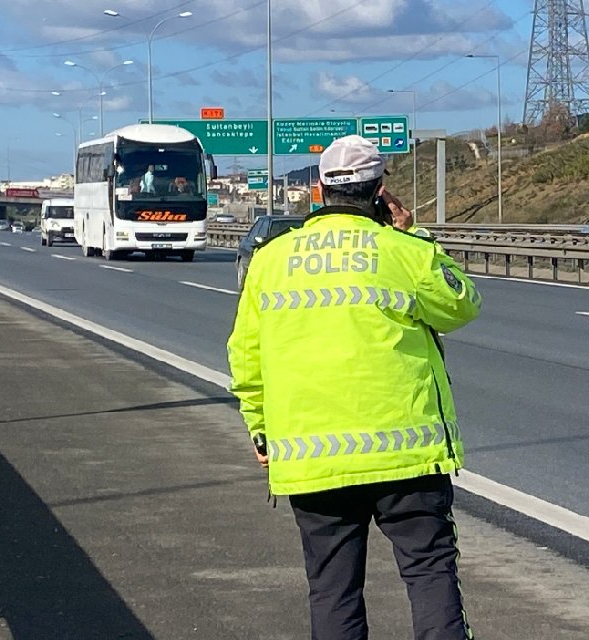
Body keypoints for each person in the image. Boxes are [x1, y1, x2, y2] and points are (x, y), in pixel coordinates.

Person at [227, 135, 481, 640]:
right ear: (381, 191)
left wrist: (261, 431)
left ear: (319, 190)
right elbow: (461, 303)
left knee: (332, 590)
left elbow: (246, 359)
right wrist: (417, 235)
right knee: (429, 572)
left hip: (313, 455)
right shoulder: (403, 252)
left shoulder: (270, 261)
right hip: (405, 455)